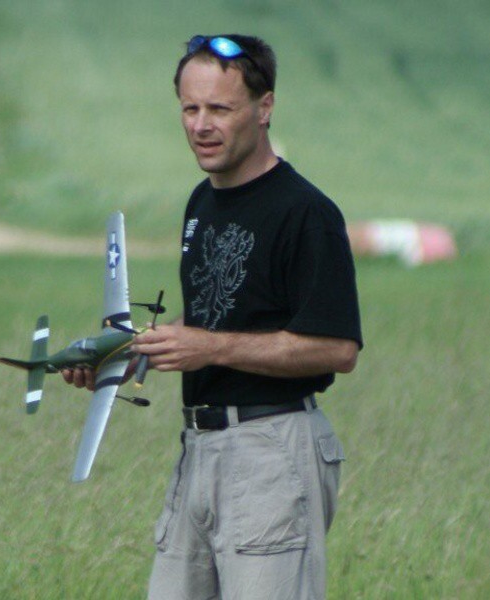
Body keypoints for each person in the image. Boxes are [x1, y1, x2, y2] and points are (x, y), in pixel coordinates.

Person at [66, 34, 362, 599]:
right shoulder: (203, 202)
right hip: (199, 451)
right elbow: (211, 316)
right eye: (190, 108)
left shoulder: (306, 213)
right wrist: (127, 355)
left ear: (264, 107)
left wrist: (210, 348)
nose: (201, 125)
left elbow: (337, 348)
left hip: (272, 452)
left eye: (220, 109)